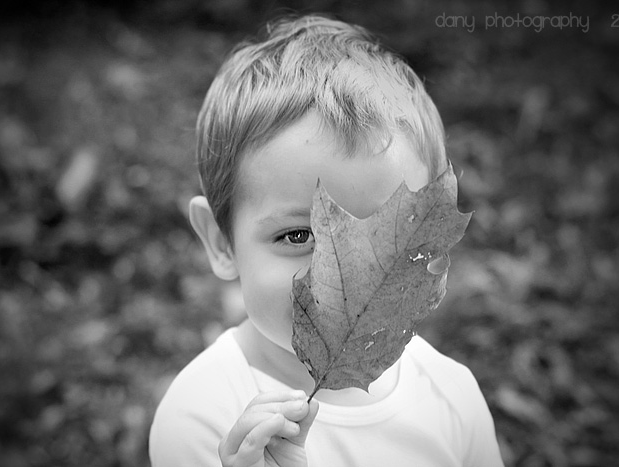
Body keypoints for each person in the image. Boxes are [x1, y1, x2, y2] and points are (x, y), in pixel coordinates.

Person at [149, 14, 504, 467]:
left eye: (381, 241)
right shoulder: (205, 418)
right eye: (297, 235)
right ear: (221, 242)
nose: (342, 278)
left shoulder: (451, 397)